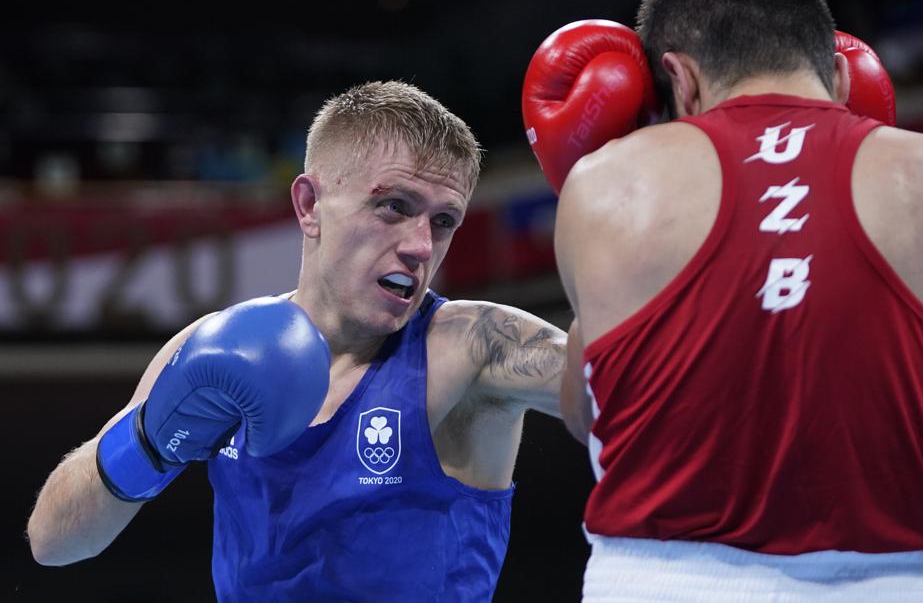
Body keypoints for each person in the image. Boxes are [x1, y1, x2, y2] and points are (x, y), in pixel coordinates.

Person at [522, 0, 923, 601]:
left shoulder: (609, 185)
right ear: (840, 74)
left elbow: (584, 412)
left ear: (679, 79)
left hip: (665, 581)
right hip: (891, 583)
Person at [26, 80, 567, 602]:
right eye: (394, 206)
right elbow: (53, 542)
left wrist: (609, 206)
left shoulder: (476, 345)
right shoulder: (211, 347)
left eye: (444, 220)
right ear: (309, 205)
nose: (421, 246)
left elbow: (624, 394)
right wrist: (149, 440)